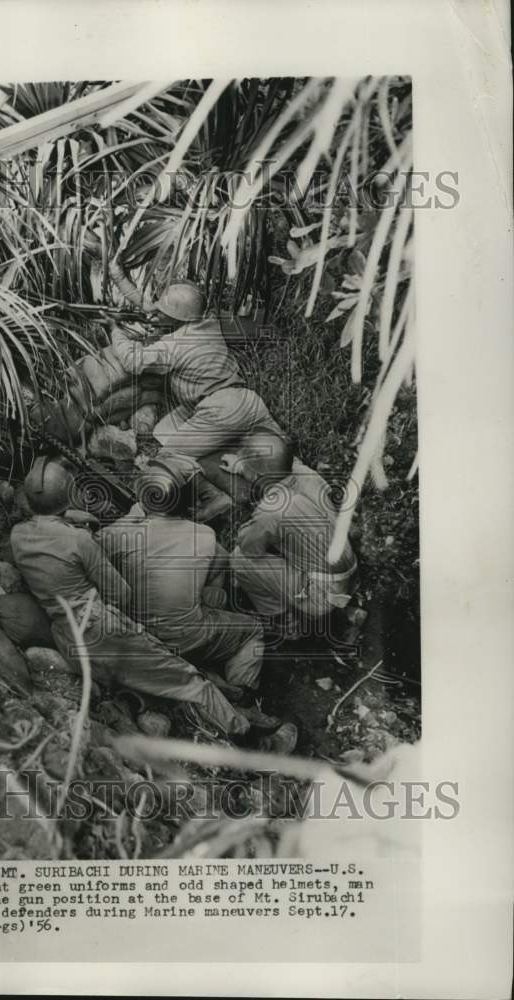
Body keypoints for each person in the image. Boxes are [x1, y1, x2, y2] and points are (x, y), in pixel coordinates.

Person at [10, 456, 286, 744]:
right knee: (187, 679)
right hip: (105, 633)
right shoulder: (81, 541)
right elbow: (121, 594)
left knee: (164, 665)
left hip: (68, 639)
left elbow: (65, 544)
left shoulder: (19, 536)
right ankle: (243, 730)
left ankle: (221, 696)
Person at [98, 455, 295, 747]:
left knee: (204, 597)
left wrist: (132, 517)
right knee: (251, 629)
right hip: (189, 635)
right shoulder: (203, 535)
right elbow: (220, 563)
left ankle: (222, 692)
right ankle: (242, 693)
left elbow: (100, 541)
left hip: (141, 638)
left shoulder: (116, 536)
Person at [95, 256, 285, 519]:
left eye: (162, 312)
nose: (156, 314)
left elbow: (132, 361)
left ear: (177, 318)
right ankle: (303, 490)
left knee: (169, 456)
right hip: (246, 399)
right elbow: (152, 309)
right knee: (283, 453)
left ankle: (215, 497)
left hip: (218, 411)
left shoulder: (173, 346)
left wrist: (115, 330)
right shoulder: (207, 321)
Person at [222, 432, 359, 632]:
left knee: (239, 560)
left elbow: (250, 548)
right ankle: (347, 610)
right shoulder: (305, 473)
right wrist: (243, 467)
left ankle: (285, 623)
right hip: (349, 571)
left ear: (257, 476)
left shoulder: (272, 510)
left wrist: (250, 527)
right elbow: (276, 468)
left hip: (321, 593)